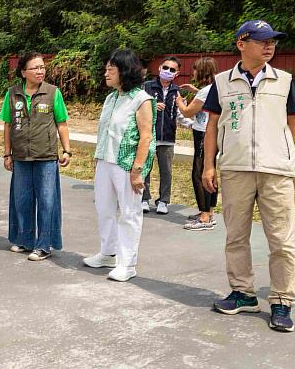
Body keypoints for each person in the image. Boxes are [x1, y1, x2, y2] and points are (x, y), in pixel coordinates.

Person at [203, 20, 295, 333]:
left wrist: (280, 152)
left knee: (282, 240)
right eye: (262, 41)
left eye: (273, 41)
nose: (270, 46)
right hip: (235, 168)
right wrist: (209, 165)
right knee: (236, 235)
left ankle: (282, 300)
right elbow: (212, 126)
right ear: (241, 44)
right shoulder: (221, 82)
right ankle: (243, 292)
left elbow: (292, 123)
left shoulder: (284, 80)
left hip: (276, 172)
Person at [83, 49, 155, 281]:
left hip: (126, 164)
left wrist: (138, 171)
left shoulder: (141, 99)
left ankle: (127, 263)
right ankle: (108, 253)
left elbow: (146, 137)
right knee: (104, 208)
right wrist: (98, 159)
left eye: (110, 70)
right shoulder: (111, 97)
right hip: (105, 161)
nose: (106, 74)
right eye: (106, 69)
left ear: (125, 71)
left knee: (129, 213)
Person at [1, 53, 71, 261]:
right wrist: (7, 153)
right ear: (23, 72)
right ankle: (24, 240)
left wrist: (66, 150)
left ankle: (44, 245)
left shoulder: (52, 93)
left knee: (47, 201)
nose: (40, 71)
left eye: (42, 67)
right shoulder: (12, 94)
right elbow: (7, 124)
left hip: (46, 156)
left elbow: (62, 123)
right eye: (35, 68)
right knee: (22, 200)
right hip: (21, 156)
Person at [176, 57, 219, 231]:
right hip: (213, 134)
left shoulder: (204, 92)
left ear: (201, 72)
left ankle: (204, 217)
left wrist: (179, 101)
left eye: (195, 69)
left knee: (199, 174)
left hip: (203, 135)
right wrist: (196, 91)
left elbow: (187, 113)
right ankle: (209, 211)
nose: (192, 72)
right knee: (211, 171)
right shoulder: (215, 88)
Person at [141, 56, 182, 214]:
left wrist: (195, 124)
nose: (168, 71)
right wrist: (152, 105)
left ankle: (163, 201)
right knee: (145, 168)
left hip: (168, 137)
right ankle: (144, 198)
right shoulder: (147, 87)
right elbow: (136, 107)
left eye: (172, 70)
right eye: (165, 68)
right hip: (149, 135)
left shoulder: (177, 91)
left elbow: (180, 114)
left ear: (177, 73)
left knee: (166, 171)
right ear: (159, 68)